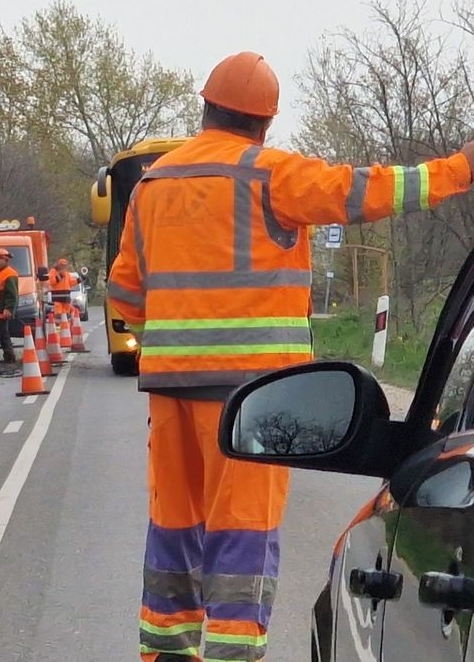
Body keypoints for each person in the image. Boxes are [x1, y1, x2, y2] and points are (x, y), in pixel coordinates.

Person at [107, 50, 474, 662]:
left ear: (206, 107)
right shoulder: (271, 175)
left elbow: (124, 292)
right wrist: (460, 169)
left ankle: (166, 648)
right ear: (266, 121)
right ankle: (231, 653)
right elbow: (368, 191)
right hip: (253, 397)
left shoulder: (154, 183)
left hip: (171, 392)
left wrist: (176, 340)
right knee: (242, 529)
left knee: (174, 524)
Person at [0, 248, 19, 363]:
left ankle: (9, 356)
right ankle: (6, 356)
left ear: (6, 259)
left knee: (2, 333)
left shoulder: (10, 274)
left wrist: (9, 309)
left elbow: (12, 294)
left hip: (3, 309)